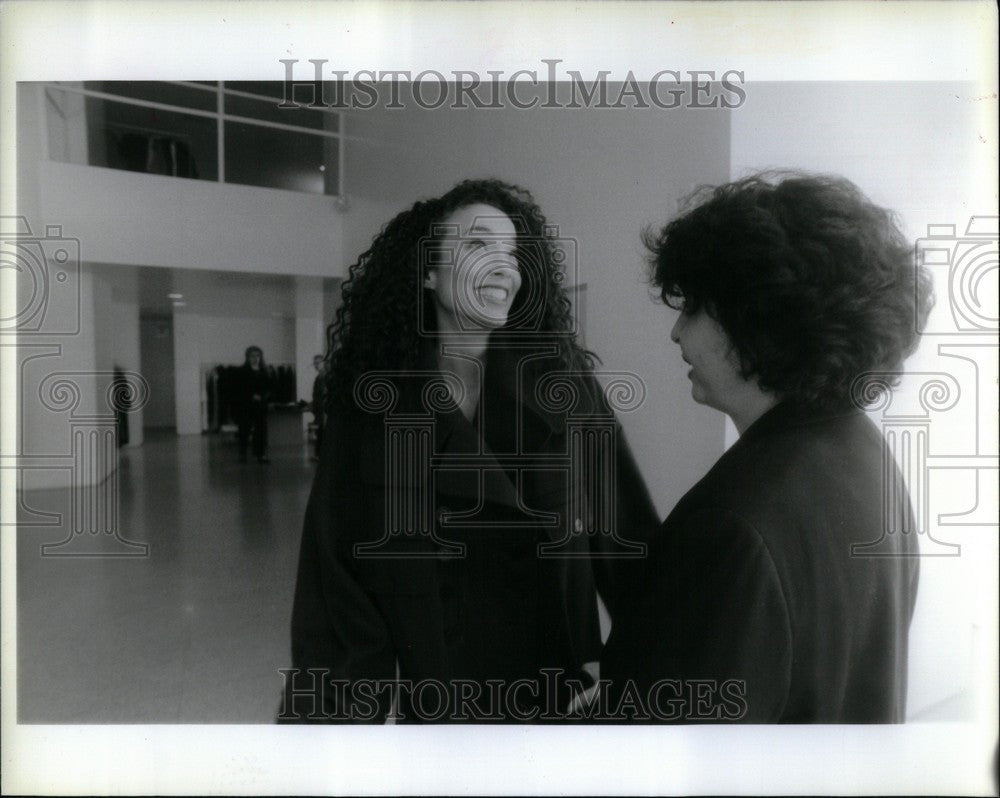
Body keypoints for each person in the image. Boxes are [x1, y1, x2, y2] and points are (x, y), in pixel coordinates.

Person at [281, 178, 657, 723]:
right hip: (445, 718)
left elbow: (630, 545)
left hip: (561, 708)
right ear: (428, 271)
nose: (504, 266)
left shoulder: (566, 388)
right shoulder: (372, 410)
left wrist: (633, 677)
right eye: (479, 245)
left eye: (512, 253)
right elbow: (338, 601)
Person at [601, 173, 934, 723]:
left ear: (760, 319)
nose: (676, 334)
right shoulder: (864, 451)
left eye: (694, 308)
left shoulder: (731, 523)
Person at [235, 345, 270, 463]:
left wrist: (265, 396)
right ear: (248, 357)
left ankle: (260, 455)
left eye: (257, 356)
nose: (255, 358)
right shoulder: (242, 371)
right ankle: (242, 454)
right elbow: (238, 390)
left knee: (261, 431)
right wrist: (251, 396)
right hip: (246, 407)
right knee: (244, 431)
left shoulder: (265, 371)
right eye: (252, 356)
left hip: (261, 406)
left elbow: (270, 387)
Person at [309, 353, 326, 462]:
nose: (316, 365)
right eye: (314, 363)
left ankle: (320, 455)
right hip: (319, 409)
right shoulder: (319, 377)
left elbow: (323, 394)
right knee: (320, 432)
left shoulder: (324, 377)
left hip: (323, 410)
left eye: (317, 363)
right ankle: (318, 454)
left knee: (322, 432)